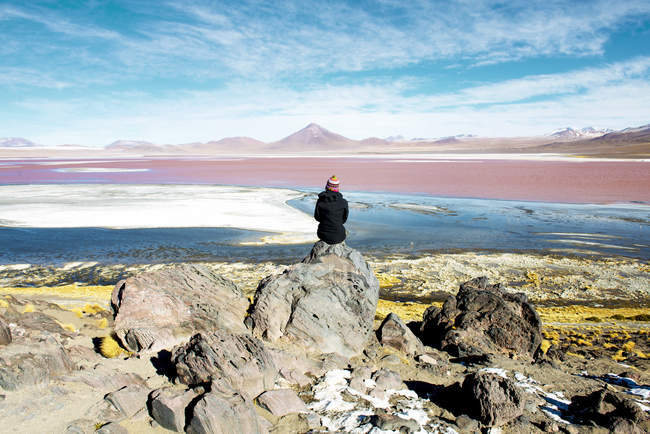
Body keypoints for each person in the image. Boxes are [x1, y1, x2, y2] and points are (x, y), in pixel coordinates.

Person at [314, 175, 349, 244]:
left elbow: (317, 217)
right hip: (339, 236)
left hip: (323, 234)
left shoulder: (320, 201)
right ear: (337, 188)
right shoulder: (343, 202)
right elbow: (344, 220)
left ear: (327, 187)